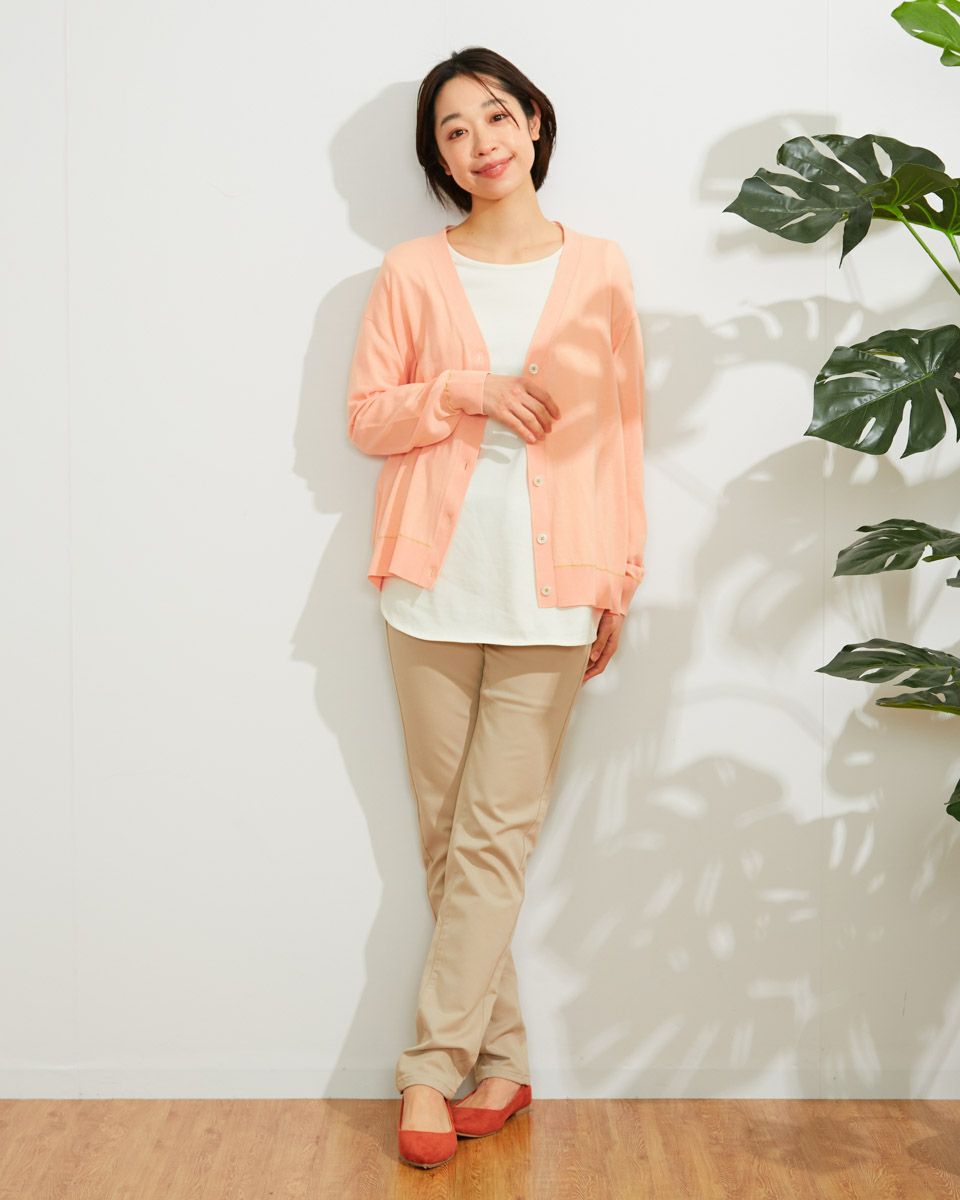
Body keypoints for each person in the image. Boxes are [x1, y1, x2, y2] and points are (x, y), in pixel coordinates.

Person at [345, 46, 647, 1169]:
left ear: (534, 122)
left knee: (493, 836)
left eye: (496, 116)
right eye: (454, 130)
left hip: (554, 592)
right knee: (450, 838)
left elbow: (623, 437)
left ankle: (431, 1069)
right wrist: (464, 391)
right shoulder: (411, 272)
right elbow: (368, 417)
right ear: (438, 157)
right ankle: (505, 1062)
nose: (481, 142)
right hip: (429, 584)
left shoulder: (601, 268)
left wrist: (619, 576)